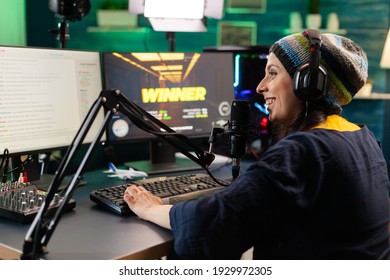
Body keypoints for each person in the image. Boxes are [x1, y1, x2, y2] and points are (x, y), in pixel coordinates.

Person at [123, 30, 390, 260]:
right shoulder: (362, 139)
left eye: (272, 73)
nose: (261, 86)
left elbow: (208, 225)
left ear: (308, 83)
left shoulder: (302, 152)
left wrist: (152, 209)